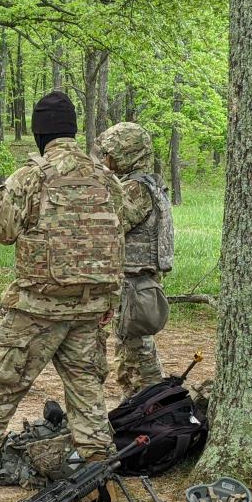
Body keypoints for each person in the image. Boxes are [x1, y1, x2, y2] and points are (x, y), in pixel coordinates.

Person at [0, 91, 126, 497]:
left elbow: (2, 232)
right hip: (90, 305)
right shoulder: (105, 177)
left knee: (3, 380)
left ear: (38, 132)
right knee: (86, 390)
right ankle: (100, 480)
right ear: (74, 130)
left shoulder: (31, 176)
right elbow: (121, 226)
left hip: (38, 307)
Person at [95, 122, 174, 398]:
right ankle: (144, 405)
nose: (107, 160)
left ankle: (150, 406)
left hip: (134, 284)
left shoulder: (135, 188)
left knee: (136, 355)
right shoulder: (147, 184)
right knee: (133, 351)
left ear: (129, 154)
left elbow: (112, 225)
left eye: (112, 154)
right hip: (138, 284)